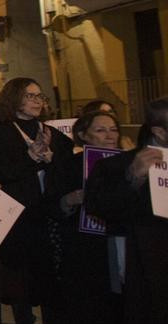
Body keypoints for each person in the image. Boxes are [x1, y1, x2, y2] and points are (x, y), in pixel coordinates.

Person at [0, 77, 73, 324]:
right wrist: (31, 158)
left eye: (40, 96)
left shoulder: (51, 133)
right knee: (19, 284)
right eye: (29, 96)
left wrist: (52, 159)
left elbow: (68, 173)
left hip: (48, 218)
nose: (37, 101)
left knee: (49, 281)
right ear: (14, 99)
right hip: (17, 221)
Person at [85, 97, 168, 323]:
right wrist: (133, 178)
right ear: (159, 132)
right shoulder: (116, 165)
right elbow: (98, 206)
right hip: (152, 275)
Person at [43, 110, 123, 323]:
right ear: (83, 135)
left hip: (120, 247)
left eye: (114, 130)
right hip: (84, 254)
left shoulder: (128, 163)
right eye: (101, 130)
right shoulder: (68, 166)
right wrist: (70, 199)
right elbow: (52, 207)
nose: (110, 136)